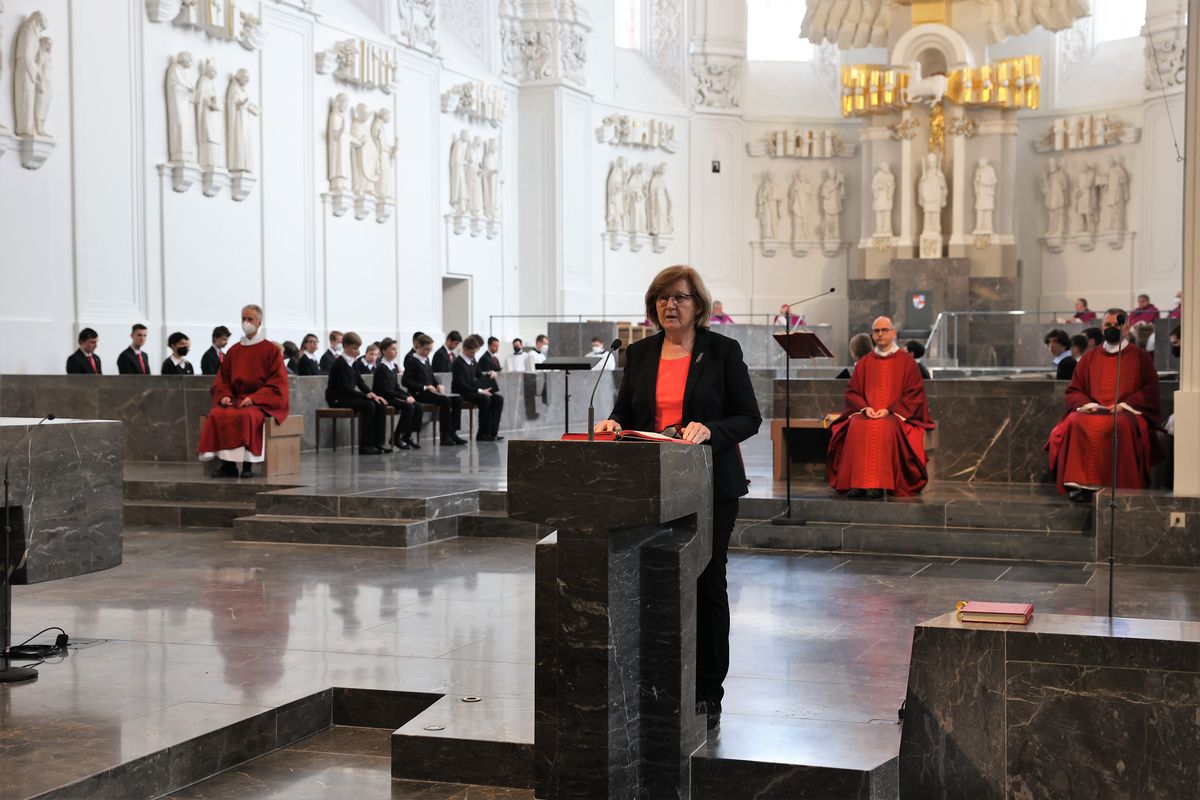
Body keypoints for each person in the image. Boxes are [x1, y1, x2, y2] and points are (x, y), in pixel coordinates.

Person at [594, 265, 761, 734]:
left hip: (710, 486)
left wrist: (711, 430)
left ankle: (708, 692)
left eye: (680, 297)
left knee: (707, 584)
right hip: (652, 486)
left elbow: (749, 417)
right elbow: (626, 411)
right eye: (663, 298)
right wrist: (612, 422)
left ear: (698, 304)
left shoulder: (722, 351)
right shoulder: (640, 353)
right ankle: (655, 685)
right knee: (651, 583)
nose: (670, 305)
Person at [1046, 309, 1160, 501]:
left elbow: (1150, 389)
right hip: (1092, 411)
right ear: (1101, 328)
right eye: (1108, 325)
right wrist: (1088, 404)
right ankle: (1082, 485)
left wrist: (1125, 404)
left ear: (1126, 328)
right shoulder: (1090, 357)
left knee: (1120, 425)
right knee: (1074, 421)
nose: (1112, 328)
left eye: (1117, 325)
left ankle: (1120, 487)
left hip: (1125, 412)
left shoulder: (1140, 357)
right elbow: (1075, 389)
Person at [827, 316, 935, 500]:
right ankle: (857, 484)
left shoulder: (907, 362)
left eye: (884, 330)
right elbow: (852, 391)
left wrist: (889, 410)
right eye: (876, 331)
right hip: (868, 412)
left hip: (895, 414)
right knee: (857, 425)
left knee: (884, 426)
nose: (880, 334)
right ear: (872, 335)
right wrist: (864, 408)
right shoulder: (865, 362)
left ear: (893, 333)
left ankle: (877, 485)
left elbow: (915, 393)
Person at [197, 305, 289, 478]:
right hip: (236, 399)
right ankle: (228, 465)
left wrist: (254, 398)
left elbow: (278, 382)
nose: (246, 322)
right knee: (218, 413)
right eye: (243, 319)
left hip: (259, 402)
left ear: (259, 322)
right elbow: (223, 378)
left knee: (247, 416)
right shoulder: (234, 350)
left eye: (250, 319)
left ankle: (247, 465)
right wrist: (224, 395)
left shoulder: (270, 350)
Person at [325, 331, 388, 454]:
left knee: (379, 404)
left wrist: (372, 394)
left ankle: (378, 443)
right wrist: (366, 396)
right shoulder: (339, 363)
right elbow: (344, 389)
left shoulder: (352, 362)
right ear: (345, 346)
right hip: (337, 398)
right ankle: (366, 445)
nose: (357, 351)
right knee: (368, 405)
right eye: (354, 348)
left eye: (358, 348)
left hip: (348, 396)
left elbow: (359, 381)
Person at [405, 333, 467, 446]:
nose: (428, 352)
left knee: (457, 399)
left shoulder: (426, 359)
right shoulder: (412, 361)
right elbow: (405, 381)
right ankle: (444, 435)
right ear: (418, 346)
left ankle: (453, 432)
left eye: (430, 349)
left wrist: (438, 384)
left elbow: (431, 376)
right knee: (445, 401)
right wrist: (424, 387)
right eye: (426, 349)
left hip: (429, 392)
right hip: (418, 394)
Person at [452, 335, 505, 441]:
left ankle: (492, 432)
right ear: (465, 349)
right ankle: (482, 434)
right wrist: (480, 391)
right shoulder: (458, 363)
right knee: (485, 399)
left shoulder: (472, 360)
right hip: (462, 392)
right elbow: (461, 384)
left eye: (475, 352)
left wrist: (490, 373)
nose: (474, 355)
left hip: (473, 390)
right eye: (472, 352)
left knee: (498, 399)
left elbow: (479, 375)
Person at [374, 337, 422, 450]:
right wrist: (403, 398)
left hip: (392, 395)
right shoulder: (381, 368)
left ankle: (407, 436)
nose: (395, 352)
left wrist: (408, 395)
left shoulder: (393, 366)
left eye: (396, 349)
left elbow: (396, 387)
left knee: (418, 406)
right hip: (384, 397)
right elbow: (384, 390)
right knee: (409, 408)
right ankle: (396, 437)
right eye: (392, 349)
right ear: (384, 351)